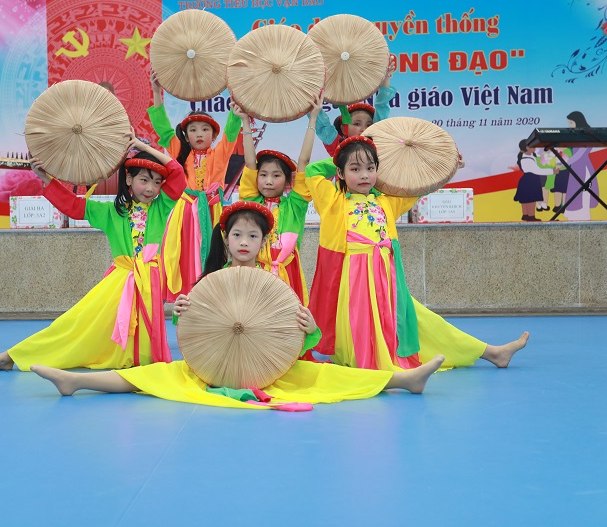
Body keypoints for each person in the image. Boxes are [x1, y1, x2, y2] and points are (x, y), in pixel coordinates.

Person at [31, 201, 446, 410]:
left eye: (252, 236)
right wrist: (181, 310)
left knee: (328, 375)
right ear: (225, 240)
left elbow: (301, 339)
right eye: (237, 235)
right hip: (213, 367)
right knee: (153, 375)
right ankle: (75, 382)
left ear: (263, 242)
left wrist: (309, 327)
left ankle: (403, 380)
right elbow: (190, 328)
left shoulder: (273, 282)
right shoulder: (211, 281)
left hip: (268, 367)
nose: (244, 242)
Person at [305, 135, 529, 371]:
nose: (364, 175)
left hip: (386, 281)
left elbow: (421, 188)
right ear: (340, 173)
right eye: (354, 169)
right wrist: (347, 152)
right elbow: (312, 171)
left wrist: (450, 169)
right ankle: (373, 368)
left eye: (370, 168)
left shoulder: (386, 202)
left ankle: (492, 353)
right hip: (352, 282)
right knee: (360, 326)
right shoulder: (332, 200)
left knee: (425, 322)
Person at [0, 132, 185, 372]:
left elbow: (177, 174)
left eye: (157, 182)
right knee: (75, 324)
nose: (151, 188)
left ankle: (136, 362)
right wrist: (45, 177)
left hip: (150, 282)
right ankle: (10, 356)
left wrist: (143, 147)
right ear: (128, 178)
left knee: (144, 347)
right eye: (144, 180)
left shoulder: (161, 207)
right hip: (119, 282)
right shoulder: (111, 211)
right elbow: (73, 205)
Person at [147, 70, 242, 301]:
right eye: (193, 129)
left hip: (213, 211)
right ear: (186, 136)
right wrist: (157, 92)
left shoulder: (220, 153)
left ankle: (214, 305)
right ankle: (185, 305)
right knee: (185, 258)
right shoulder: (180, 152)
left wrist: (236, 104)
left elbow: (231, 132)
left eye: (205, 129)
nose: (199, 133)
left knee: (216, 256)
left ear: (214, 135)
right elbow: (163, 129)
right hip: (186, 214)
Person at [230, 95, 322, 305]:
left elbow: (304, 161)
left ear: (288, 181)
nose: (269, 181)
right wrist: (245, 122)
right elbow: (250, 162)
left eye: (276, 175)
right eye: (263, 175)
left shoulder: (295, 205)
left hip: (287, 274)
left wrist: (313, 119)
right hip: (254, 272)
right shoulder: (252, 203)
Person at [315, 55, 397, 156]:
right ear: (343, 128)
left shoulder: (377, 145)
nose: (363, 129)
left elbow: (382, 106)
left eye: (369, 125)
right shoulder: (337, 145)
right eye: (357, 124)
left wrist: (386, 77)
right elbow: (322, 123)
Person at [557, 111, 599, 221]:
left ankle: (582, 218)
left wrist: (564, 163)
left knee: (582, 193)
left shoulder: (586, 137)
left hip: (582, 168)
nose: (570, 126)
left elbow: (579, 155)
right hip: (576, 167)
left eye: (571, 123)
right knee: (575, 192)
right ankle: (574, 217)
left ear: (578, 122)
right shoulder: (577, 137)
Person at [514, 140, 555, 221]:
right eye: (532, 146)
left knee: (525, 199)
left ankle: (525, 215)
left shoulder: (531, 156)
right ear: (527, 148)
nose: (535, 147)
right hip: (530, 180)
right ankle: (531, 216)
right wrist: (552, 171)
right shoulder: (526, 159)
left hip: (529, 179)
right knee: (530, 199)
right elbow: (537, 170)